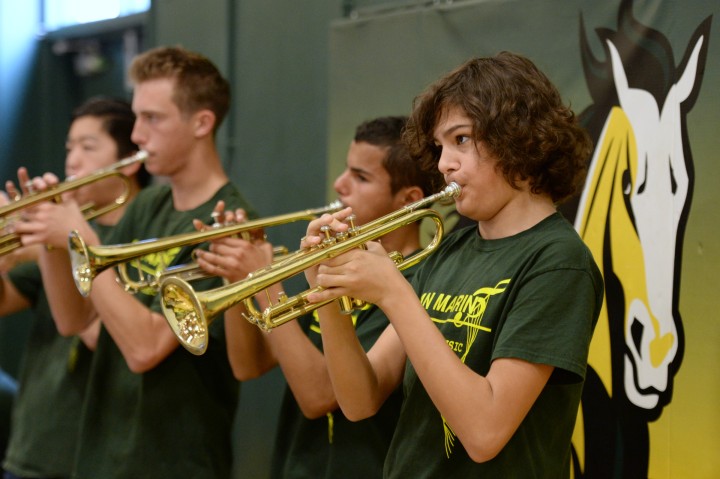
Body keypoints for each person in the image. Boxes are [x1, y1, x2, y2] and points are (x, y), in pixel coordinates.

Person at [302, 51, 604, 477]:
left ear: (517, 135)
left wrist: (394, 293)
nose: (444, 164)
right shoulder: (451, 248)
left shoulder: (558, 261)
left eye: (461, 139)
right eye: (441, 146)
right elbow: (360, 401)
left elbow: (484, 433)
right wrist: (327, 296)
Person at [11, 47, 255, 478]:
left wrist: (81, 238)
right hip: (103, 454)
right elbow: (73, 318)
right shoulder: (149, 206)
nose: (138, 135)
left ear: (202, 123)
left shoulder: (229, 223)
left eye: (153, 119)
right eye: (137, 117)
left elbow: (146, 349)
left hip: (172, 462)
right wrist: (53, 236)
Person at [193, 116, 444, 478]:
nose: (340, 184)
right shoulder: (340, 266)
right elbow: (249, 365)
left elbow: (320, 397)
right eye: (346, 170)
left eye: (361, 177)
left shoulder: (420, 281)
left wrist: (265, 281)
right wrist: (239, 281)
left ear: (410, 200)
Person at [0, 96, 148, 479]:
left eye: (88, 147)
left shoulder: (142, 237)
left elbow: (113, 339)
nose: (72, 161)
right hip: (32, 445)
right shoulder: (58, 229)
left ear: (129, 161)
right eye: (69, 147)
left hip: (87, 454)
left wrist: (52, 253)